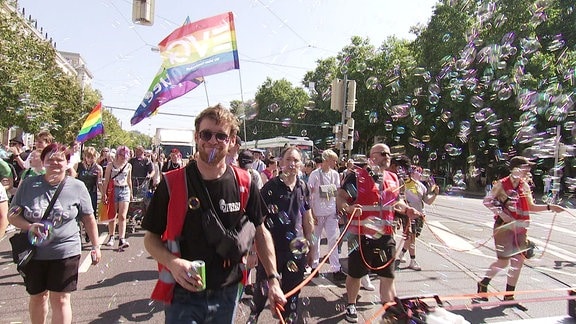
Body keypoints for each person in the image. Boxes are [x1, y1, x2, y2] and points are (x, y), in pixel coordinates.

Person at [141, 104, 286, 323]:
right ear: (197, 137)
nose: (212, 141)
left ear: (231, 141)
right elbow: (150, 238)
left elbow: (260, 231)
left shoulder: (245, 182)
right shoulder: (172, 183)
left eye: (221, 136)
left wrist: (273, 280)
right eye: (206, 134)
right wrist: (172, 263)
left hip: (227, 295)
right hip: (183, 295)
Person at [8, 142, 101, 324]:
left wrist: (96, 247)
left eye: (60, 160)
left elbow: (89, 219)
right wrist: (29, 226)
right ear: (43, 162)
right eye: (50, 160)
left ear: (67, 163)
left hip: (65, 251)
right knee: (38, 297)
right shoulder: (28, 184)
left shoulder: (77, 187)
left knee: (60, 299)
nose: (56, 163)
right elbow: (12, 215)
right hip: (34, 253)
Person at [336, 143, 423, 323]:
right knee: (355, 273)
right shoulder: (356, 176)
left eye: (389, 154)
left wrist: (407, 210)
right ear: (372, 156)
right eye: (383, 153)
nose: (387, 157)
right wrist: (348, 208)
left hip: (386, 234)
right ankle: (351, 304)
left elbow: (396, 202)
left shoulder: (392, 177)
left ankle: (388, 309)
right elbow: (341, 197)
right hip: (360, 234)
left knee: (388, 274)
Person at [475, 156, 565, 310]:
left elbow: (531, 207)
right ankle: (483, 283)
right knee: (503, 262)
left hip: (521, 228)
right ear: (515, 169)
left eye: (528, 168)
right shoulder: (502, 184)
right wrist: (502, 214)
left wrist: (551, 207)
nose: (527, 171)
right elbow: (487, 201)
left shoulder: (525, 186)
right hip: (504, 227)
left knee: (518, 262)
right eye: (525, 167)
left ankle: (509, 297)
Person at [250, 146, 314, 322]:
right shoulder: (270, 187)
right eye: (288, 160)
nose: (292, 164)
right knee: (263, 289)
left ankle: (286, 320)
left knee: (293, 292)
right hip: (272, 249)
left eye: (296, 160)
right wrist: (254, 251)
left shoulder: (303, 187)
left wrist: (312, 246)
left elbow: (308, 218)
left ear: (301, 164)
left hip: (297, 248)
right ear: (280, 162)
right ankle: (253, 316)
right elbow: (258, 222)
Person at [307, 149, 346, 280]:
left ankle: (336, 268)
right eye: (334, 160)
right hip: (317, 212)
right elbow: (310, 194)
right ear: (326, 160)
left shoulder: (335, 174)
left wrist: (338, 209)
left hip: (330, 212)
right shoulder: (315, 174)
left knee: (333, 240)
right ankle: (314, 266)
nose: (336, 163)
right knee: (315, 240)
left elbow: (336, 193)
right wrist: (311, 213)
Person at [397, 166, 439, 271]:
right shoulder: (404, 184)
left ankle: (402, 253)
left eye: (421, 172)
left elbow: (427, 202)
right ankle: (413, 260)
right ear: (412, 173)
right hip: (409, 214)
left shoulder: (421, 186)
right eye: (418, 172)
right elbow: (399, 198)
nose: (420, 174)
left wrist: (435, 194)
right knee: (412, 236)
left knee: (412, 237)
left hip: (420, 214)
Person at [102, 145, 133, 250]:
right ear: (117, 155)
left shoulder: (128, 166)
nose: (123, 157)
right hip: (113, 190)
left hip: (125, 190)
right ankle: (111, 236)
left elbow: (129, 180)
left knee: (123, 216)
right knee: (112, 215)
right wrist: (104, 194)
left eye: (125, 155)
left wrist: (131, 192)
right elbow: (106, 180)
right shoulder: (111, 165)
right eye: (122, 155)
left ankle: (121, 238)